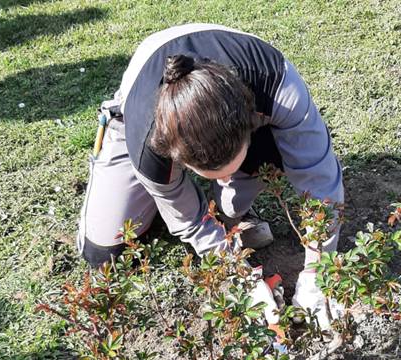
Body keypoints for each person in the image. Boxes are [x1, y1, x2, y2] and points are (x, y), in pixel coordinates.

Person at [77, 23, 344, 329]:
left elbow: (320, 178)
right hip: (141, 96)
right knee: (102, 250)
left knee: (241, 198)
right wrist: (238, 275)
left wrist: (317, 273)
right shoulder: (147, 145)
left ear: (253, 123)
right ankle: (220, 199)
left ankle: (235, 203)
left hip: (244, 86)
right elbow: (190, 221)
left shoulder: (279, 88)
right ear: (176, 159)